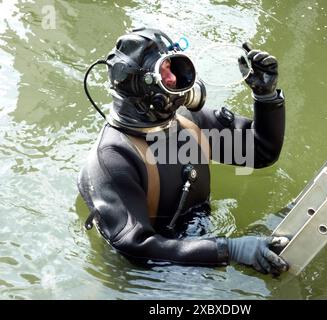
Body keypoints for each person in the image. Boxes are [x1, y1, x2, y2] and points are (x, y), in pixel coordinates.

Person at [78, 27, 289, 276]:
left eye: (173, 67)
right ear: (141, 88)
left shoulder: (190, 123)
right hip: (152, 280)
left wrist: (265, 97)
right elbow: (134, 246)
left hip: (203, 244)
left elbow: (260, 151)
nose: (173, 80)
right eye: (163, 72)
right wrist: (229, 250)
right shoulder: (112, 159)